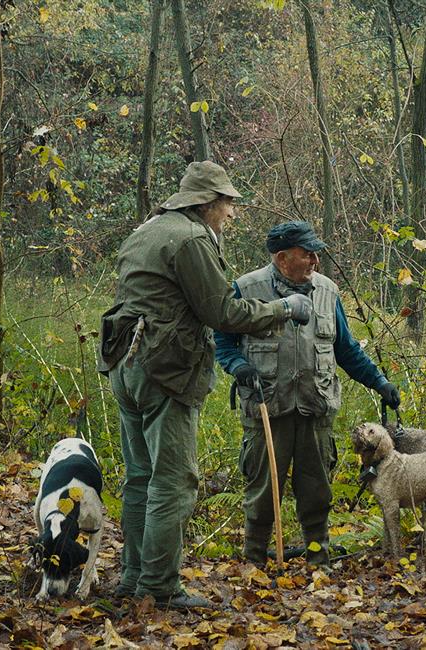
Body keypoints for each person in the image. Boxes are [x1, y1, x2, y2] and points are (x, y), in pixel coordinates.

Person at [97, 161, 314, 610]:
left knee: (140, 477)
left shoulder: (148, 229)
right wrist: (284, 309)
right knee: (173, 481)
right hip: (165, 370)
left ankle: (133, 577)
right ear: (207, 203)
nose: (231, 214)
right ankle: (158, 588)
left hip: (126, 365)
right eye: (228, 204)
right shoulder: (192, 238)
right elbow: (223, 313)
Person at [214, 221, 401, 566]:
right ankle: (254, 562)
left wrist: (379, 382)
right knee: (262, 492)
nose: (316, 260)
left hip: (315, 408)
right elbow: (223, 342)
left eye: (316, 253)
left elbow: (346, 349)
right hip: (266, 408)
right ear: (283, 258)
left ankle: (318, 560)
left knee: (317, 492)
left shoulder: (328, 291)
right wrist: (239, 367)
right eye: (308, 253)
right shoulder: (246, 288)